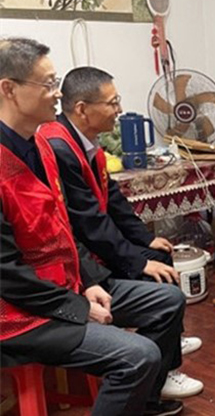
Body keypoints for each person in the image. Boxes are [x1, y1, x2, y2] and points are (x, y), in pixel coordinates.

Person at [0, 37, 185, 415]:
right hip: (19, 314)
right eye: (48, 84)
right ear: (9, 89)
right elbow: (6, 274)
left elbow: (65, 231)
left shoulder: (42, 148)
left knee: (167, 300)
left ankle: (144, 404)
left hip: (65, 287)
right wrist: (77, 306)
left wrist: (88, 282)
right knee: (138, 356)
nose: (58, 94)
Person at [36, 66, 203, 399]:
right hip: (81, 257)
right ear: (82, 109)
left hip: (95, 243)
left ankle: (168, 342)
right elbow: (88, 222)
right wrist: (137, 262)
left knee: (159, 253)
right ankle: (163, 370)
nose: (119, 110)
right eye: (112, 103)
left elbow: (113, 200)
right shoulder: (59, 147)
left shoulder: (88, 143)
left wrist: (145, 238)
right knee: (154, 272)